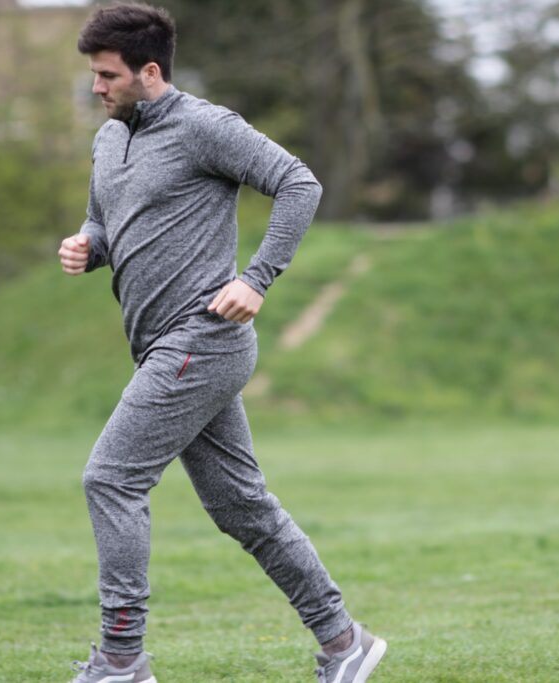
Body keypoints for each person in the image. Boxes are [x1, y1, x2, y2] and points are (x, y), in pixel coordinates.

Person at [57, 4, 386, 682]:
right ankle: (344, 639)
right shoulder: (109, 139)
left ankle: (121, 659)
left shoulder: (205, 127)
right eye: (94, 74)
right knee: (243, 507)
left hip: (202, 339)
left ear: (149, 71)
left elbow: (299, 183)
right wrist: (88, 246)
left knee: (111, 477)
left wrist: (258, 278)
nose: (97, 88)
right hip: (160, 349)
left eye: (107, 75)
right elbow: (106, 220)